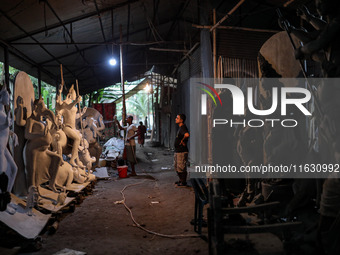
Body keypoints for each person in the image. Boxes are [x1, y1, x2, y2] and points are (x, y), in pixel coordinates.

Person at [174, 114, 190, 186]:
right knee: (177, 167)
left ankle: (183, 182)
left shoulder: (183, 127)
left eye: (177, 118)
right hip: (178, 150)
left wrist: (182, 141)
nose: (176, 119)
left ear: (181, 120)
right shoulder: (180, 128)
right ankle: (180, 180)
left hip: (182, 151)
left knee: (181, 167)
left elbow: (187, 135)